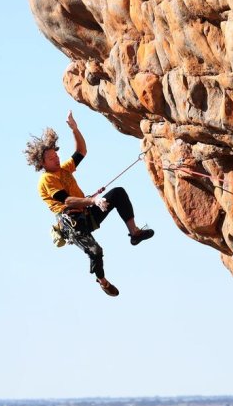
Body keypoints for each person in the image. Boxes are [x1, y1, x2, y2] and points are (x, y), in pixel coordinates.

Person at [25, 111, 154, 296]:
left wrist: (75, 129)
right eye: (52, 158)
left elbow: (81, 151)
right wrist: (93, 200)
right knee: (95, 250)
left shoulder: (64, 169)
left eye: (56, 155)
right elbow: (67, 201)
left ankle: (134, 233)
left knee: (118, 193)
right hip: (72, 222)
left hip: (86, 212)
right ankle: (102, 281)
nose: (57, 158)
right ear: (42, 163)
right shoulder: (47, 180)